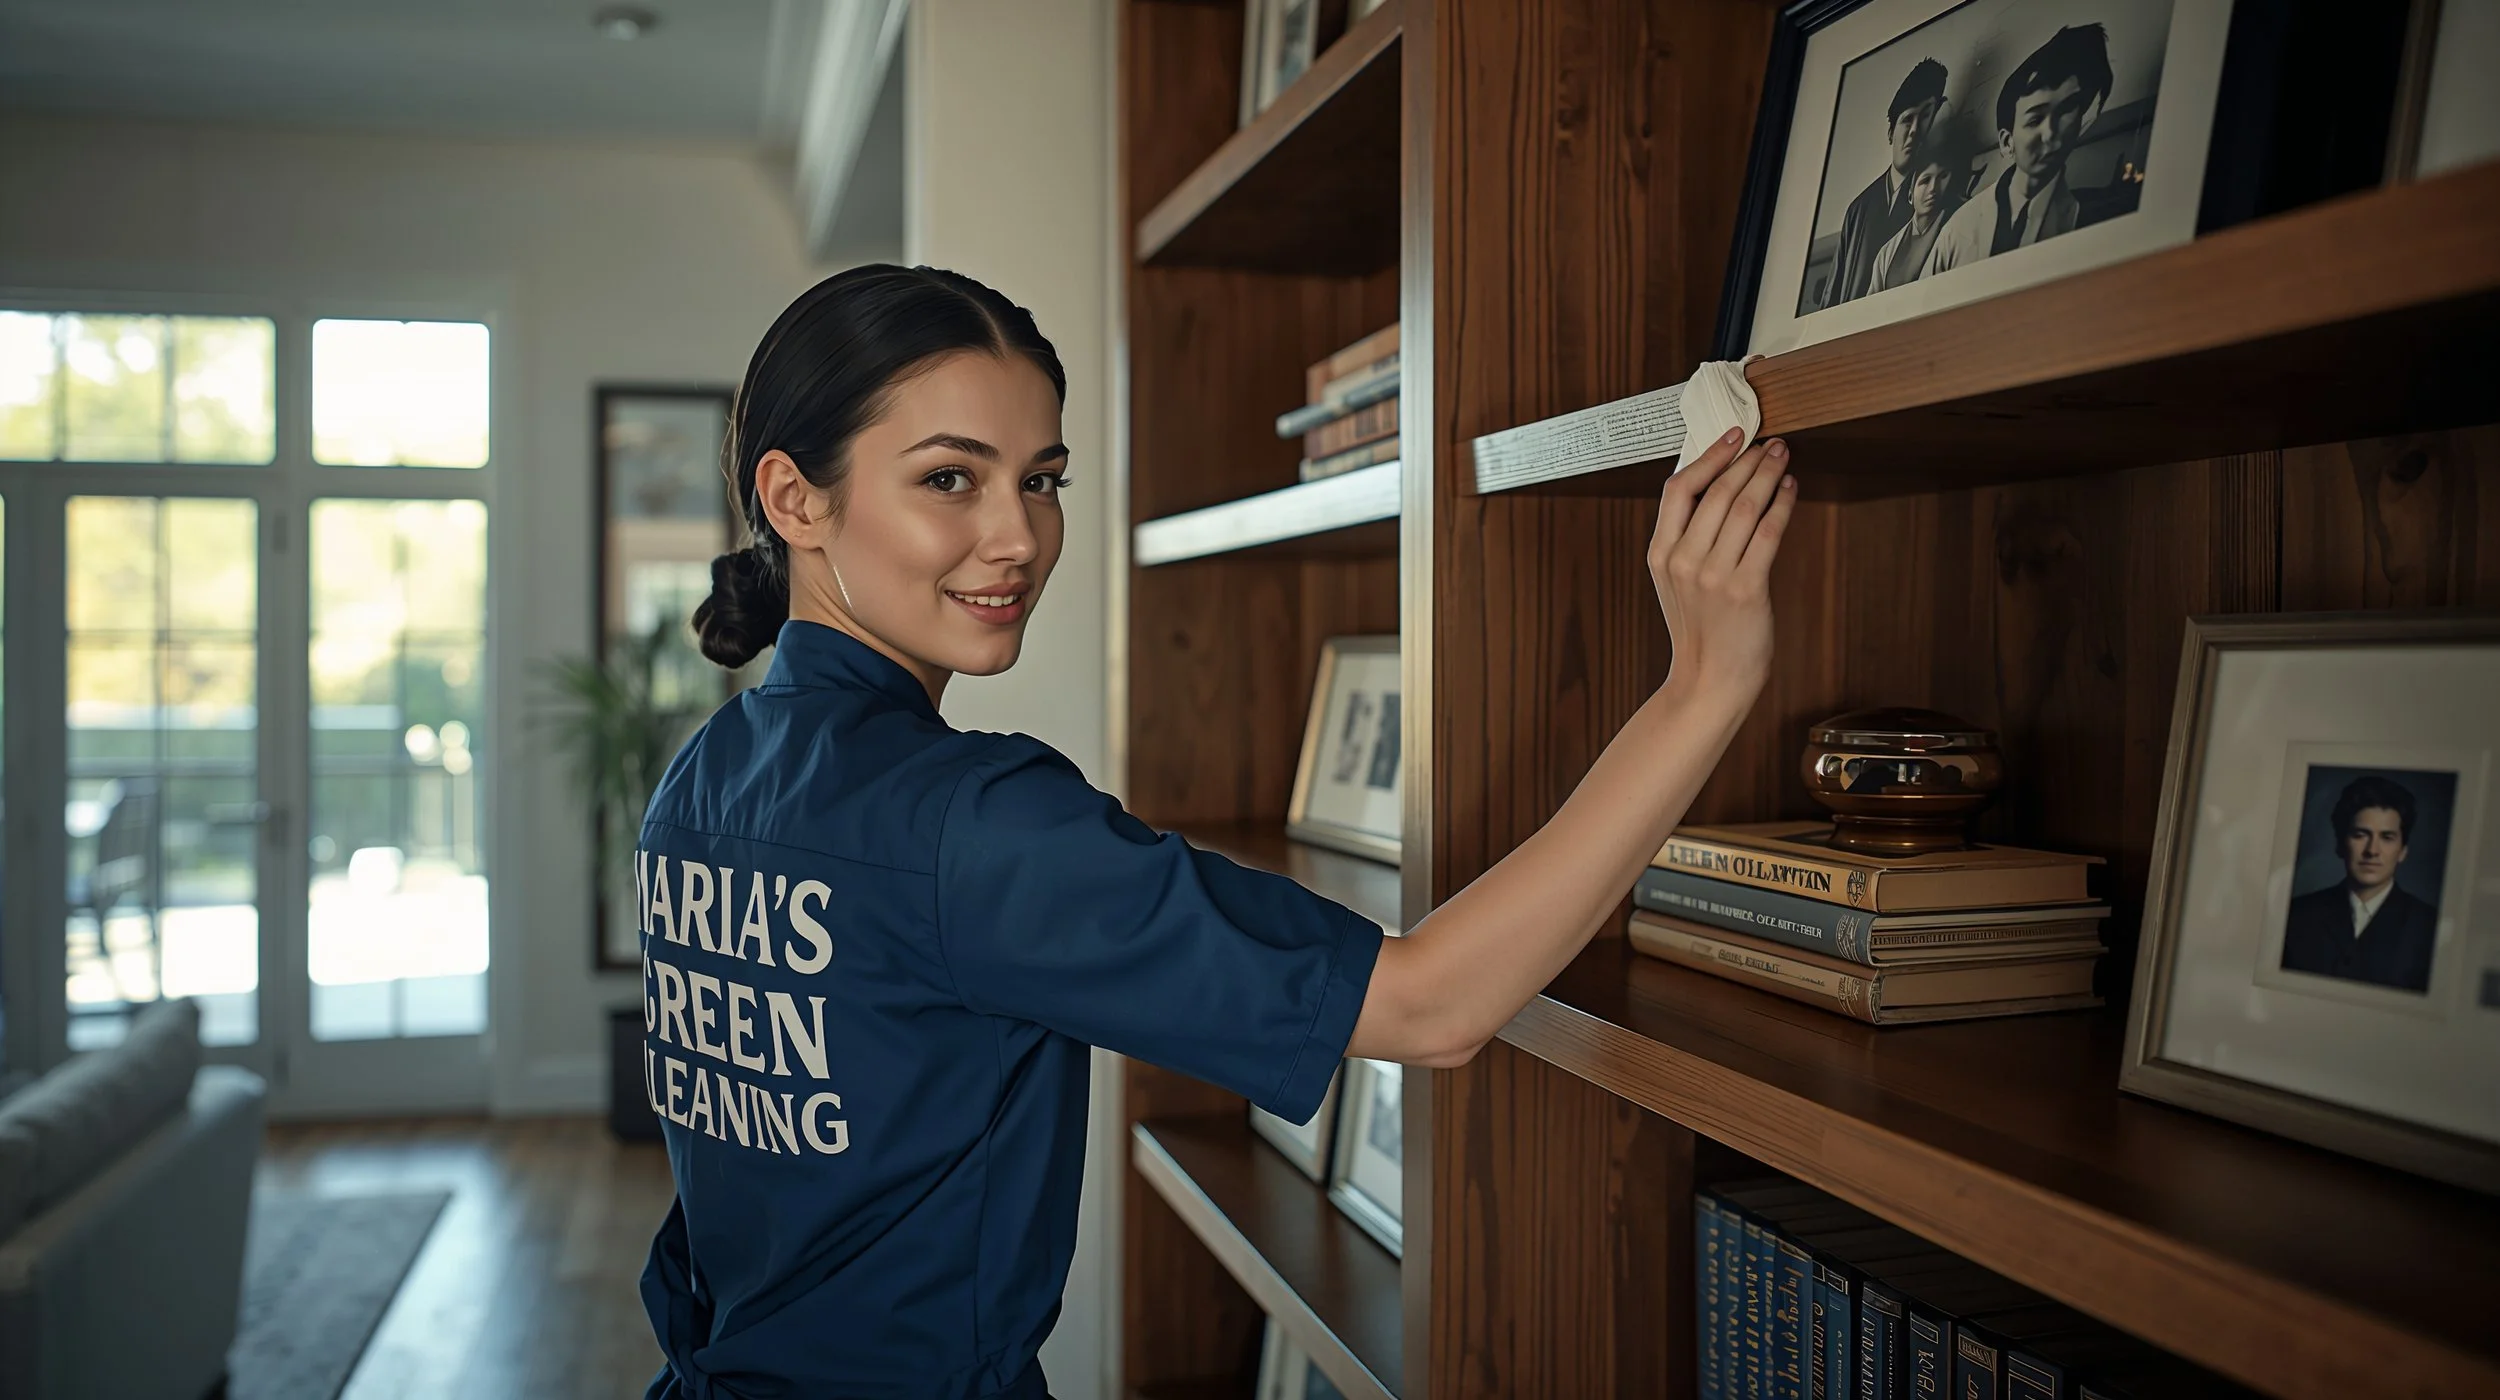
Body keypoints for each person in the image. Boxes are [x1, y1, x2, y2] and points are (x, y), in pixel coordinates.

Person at [630, 264, 1798, 1398]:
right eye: (950, 479)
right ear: (796, 498)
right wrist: (1702, 683)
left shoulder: (698, 782)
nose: (1018, 538)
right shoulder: (971, 822)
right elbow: (1430, 1005)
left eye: (1043, 480)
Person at [1924, 23, 2125, 276]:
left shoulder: (2094, 222)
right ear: (2008, 142)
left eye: (2065, 112)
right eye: (2034, 120)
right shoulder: (1959, 229)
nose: (2051, 134)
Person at [2280, 775, 2440, 993]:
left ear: (2403, 851)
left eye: (2387, 837)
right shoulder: (2294, 915)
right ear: (2340, 844)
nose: (2372, 850)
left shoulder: (2430, 928)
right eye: (2360, 835)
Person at [1827, 57, 1949, 308]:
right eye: (1907, 119)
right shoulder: (1858, 209)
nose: (1915, 130)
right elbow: (1833, 294)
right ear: (1891, 132)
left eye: (1925, 116)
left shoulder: (1936, 199)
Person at [1870, 138, 1960, 293]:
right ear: (1910, 194)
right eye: (1925, 180)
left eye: (1942, 176)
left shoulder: (1958, 230)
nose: (1933, 188)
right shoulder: (1886, 253)